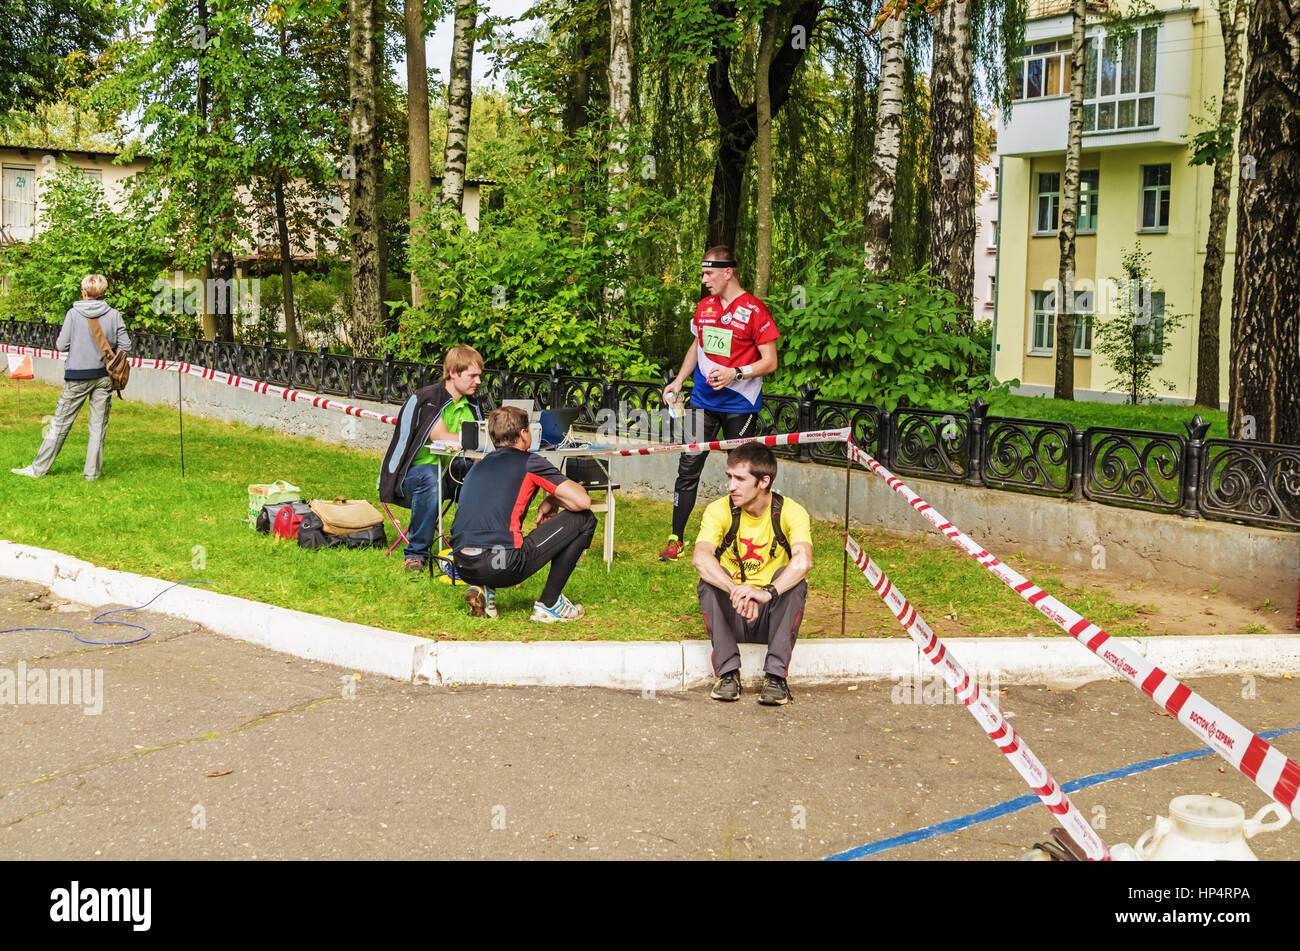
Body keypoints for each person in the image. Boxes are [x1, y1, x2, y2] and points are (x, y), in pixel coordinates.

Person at [659, 246, 779, 561]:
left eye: (709, 273)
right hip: (702, 402)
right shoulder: (705, 307)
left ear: (728, 272)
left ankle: (749, 539)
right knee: (688, 467)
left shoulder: (754, 310)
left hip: (740, 405)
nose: (704, 279)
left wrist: (736, 372)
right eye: (702, 273)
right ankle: (675, 539)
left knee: (742, 472)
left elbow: (770, 361)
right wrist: (679, 381)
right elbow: (697, 345)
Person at [692, 442, 812, 706]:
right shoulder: (719, 510)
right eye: (729, 477)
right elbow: (700, 558)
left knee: (794, 581)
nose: (731, 486)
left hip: (771, 615)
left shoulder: (791, 512)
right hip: (733, 610)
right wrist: (735, 589)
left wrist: (766, 594)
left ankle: (776, 678)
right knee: (709, 579)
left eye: (740, 479)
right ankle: (727, 674)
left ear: (763, 481)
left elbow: (803, 561)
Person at [452, 406, 596, 623]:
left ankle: (485, 590)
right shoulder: (529, 461)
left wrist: (552, 499)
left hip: (462, 563)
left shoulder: (478, 466)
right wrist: (553, 499)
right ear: (523, 434)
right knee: (585, 519)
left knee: (492, 530)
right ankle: (550, 603)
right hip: (501, 562)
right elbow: (582, 501)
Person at [11, 274, 130, 481]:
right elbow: (126, 346)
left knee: (60, 424)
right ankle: (92, 474)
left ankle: (38, 469)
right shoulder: (114, 314)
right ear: (103, 292)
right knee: (98, 426)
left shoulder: (74, 314)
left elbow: (61, 345)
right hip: (105, 377)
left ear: (84, 292)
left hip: (77, 376)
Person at [379, 344, 486, 572]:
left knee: (482, 475)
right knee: (430, 475)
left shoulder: (473, 405)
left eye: (480, 376)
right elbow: (443, 438)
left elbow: (480, 446)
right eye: (472, 375)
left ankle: (470, 548)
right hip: (407, 480)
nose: (478, 381)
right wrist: (479, 442)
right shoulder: (427, 399)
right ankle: (415, 554)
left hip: (445, 476)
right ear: (453, 373)